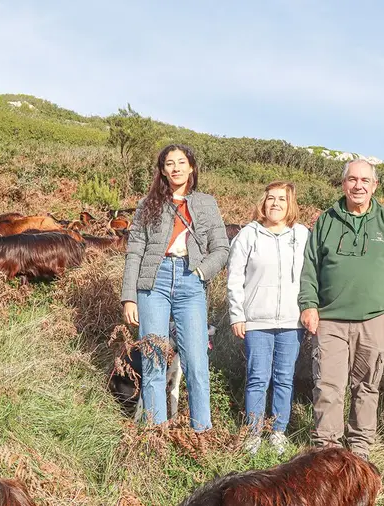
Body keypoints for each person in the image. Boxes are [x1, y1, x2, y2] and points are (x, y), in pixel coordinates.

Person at [298, 158, 384, 461]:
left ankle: (361, 446)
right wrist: (309, 305)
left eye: (365, 180)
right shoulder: (326, 220)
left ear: (374, 185)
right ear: (343, 184)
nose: (358, 185)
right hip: (330, 319)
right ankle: (327, 448)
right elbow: (310, 268)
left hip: (374, 318)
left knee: (367, 385)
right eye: (352, 179)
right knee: (328, 385)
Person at [120, 143, 230, 433]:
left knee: (196, 363)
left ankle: (201, 435)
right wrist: (129, 298)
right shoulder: (148, 204)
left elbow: (221, 249)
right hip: (152, 282)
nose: (176, 168)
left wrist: (200, 272)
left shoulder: (206, 203)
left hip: (190, 281)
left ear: (191, 167)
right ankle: (156, 435)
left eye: (181, 162)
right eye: (170, 163)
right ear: (162, 170)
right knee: (153, 360)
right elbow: (134, 252)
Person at [226, 181, 309, 455]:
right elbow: (235, 278)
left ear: (290, 204)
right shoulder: (248, 235)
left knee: (285, 377)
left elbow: (310, 277)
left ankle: (278, 431)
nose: (275, 204)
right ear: (263, 202)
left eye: (282, 199)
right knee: (257, 377)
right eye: (271, 198)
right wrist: (238, 315)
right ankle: (252, 433)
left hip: (291, 321)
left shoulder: (301, 235)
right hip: (257, 321)